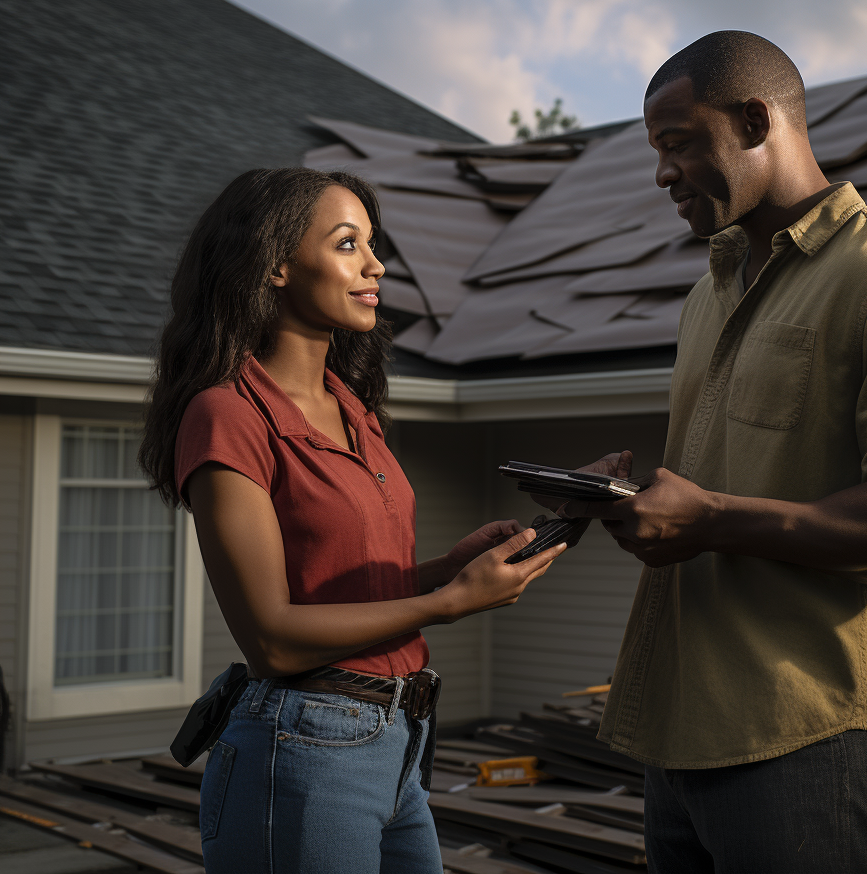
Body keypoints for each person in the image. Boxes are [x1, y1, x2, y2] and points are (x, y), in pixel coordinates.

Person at [559, 32, 867, 873]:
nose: (662, 175)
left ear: (758, 120)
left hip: (809, 736)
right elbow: (728, 497)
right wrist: (631, 498)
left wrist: (712, 519)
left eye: (678, 144)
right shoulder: (708, 293)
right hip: (678, 727)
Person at [139, 167, 565, 874]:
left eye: (373, 244)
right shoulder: (228, 415)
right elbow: (272, 638)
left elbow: (341, 592)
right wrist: (450, 601)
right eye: (347, 244)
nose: (377, 265)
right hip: (303, 747)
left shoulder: (353, 409)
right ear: (274, 264)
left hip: (398, 739)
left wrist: (445, 571)